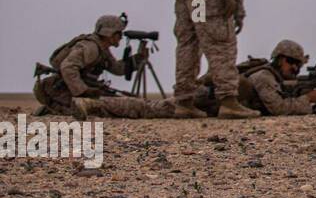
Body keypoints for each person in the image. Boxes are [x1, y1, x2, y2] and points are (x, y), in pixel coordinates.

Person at [34, 14, 201, 119]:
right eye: (118, 34)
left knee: (122, 101)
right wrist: (82, 91)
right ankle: (67, 105)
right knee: (127, 105)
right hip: (63, 89)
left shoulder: (101, 48)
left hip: (64, 90)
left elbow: (117, 69)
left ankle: (58, 107)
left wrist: (138, 58)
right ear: (109, 33)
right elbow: (68, 67)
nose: (121, 38)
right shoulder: (90, 47)